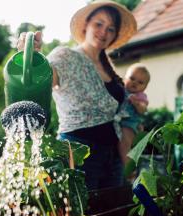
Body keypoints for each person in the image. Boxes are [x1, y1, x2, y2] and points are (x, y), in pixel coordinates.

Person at [17, 0, 137, 190]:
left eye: (111, 29)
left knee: (111, 213)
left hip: (112, 154)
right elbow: (44, 79)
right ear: (86, 25)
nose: (104, 32)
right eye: (99, 24)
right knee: (81, 214)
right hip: (77, 150)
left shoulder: (110, 68)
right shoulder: (65, 56)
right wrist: (32, 55)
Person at [118, 63, 150, 165]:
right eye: (132, 78)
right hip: (117, 121)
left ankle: (127, 166)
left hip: (130, 124)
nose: (135, 83)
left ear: (145, 87)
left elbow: (143, 110)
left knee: (125, 142)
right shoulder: (121, 90)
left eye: (140, 82)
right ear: (124, 78)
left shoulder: (141, 96)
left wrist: (137, 104)